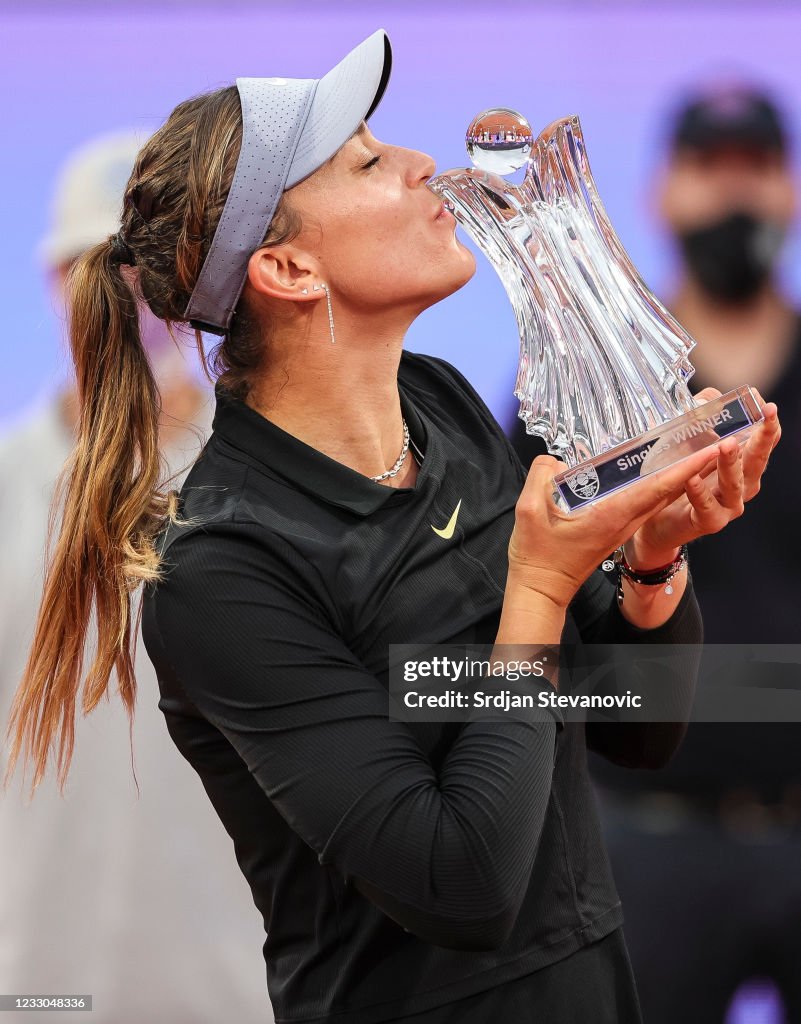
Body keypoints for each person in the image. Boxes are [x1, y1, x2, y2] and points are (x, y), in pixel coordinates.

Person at [3, 32, 781, 1024]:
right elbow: (463, 883)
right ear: (287, 268)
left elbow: (643, 725)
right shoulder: (224, 569)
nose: (423, 166)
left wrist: (651, 564)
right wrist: (537, 592)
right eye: (369, 161)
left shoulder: (445, 407)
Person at [508, 85, 801, 1023]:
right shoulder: (585, 390)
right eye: (706, 170)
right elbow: (522, 588)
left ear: (788, 191)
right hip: (642, 833)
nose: (732, 197)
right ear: (662, 193)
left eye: (753, 169)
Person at [0, 132, 270, 1022]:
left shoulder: (266, 484)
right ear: (51, 283)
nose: (126, 295)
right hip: (36, 980)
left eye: (147, 266)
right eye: (98, 266)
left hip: (242, 982)